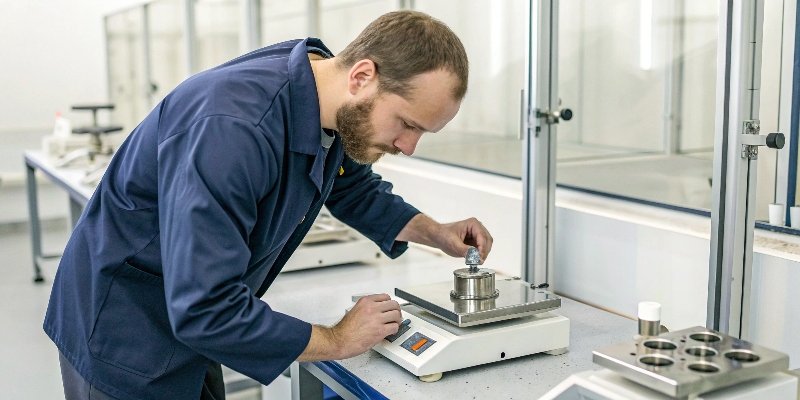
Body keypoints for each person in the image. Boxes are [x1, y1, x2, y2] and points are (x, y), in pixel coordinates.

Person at [44, 10, 493, 400]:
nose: (409, 146)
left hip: (185, 330)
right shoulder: (234, 129)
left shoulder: (326, 100)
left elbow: (350, 187)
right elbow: (206, 309)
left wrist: (437, 233)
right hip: (122, 334)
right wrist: (337, 339)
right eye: (406, 124)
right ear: (362, 76)